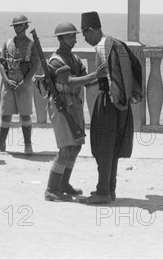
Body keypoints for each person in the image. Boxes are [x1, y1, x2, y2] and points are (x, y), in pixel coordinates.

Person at [80, 11, 143, 205]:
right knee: (113, 147)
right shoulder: (117, 43)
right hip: (121, 105)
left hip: (108, 101)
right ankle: (110, 189)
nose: (84, 38)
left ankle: (103, 192)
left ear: (90, 30)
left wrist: (110, 96)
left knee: (103, 147)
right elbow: (136, 66)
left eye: (84, 34)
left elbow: (106, 79)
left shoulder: (101, 47)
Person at [44, 22, 102, 202]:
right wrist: (95, 75)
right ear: (60, 39)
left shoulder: (75, 59)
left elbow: (84, 80)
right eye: (69, 36)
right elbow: (69, 81)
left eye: (74, 36)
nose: (74, 39)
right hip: (61, 106)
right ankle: (52, 189)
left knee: (75, 146)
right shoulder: (56, 60)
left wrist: (102, 79)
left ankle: (63, 184)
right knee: (65, 148)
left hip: (74, 105)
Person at [0, 15, 40, 156]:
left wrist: (25, 82)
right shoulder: (8, 42)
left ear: (26, 27)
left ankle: (28, 145)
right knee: (5, 114)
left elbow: (35, 65)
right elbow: (2, 64)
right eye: (16, 26)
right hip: (9, 81)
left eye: (20, 25)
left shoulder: (31, 45)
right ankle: (0, 143)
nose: (18, 28)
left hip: (24, 81)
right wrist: (6, 80)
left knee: (25, 115)